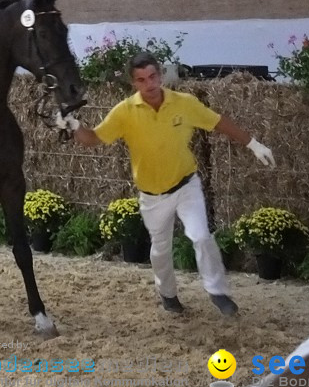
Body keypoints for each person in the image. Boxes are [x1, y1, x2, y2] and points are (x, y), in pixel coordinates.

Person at [72, 51, 276, 317]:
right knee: (160, 251)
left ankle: (217, 291)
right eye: (142, 80)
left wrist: (253, 144)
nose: (149, 84)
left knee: (201, 236)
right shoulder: (124, 112)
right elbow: (94, 138)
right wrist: (74, 125)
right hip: (151, 196)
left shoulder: (184, 103)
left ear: (161, 75)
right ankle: (168, 295)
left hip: (186, 185)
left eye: (153, 76)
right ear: (134, 83)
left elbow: (218, 122)